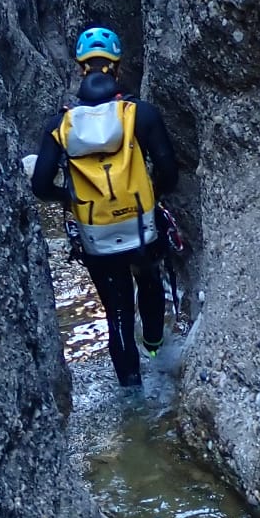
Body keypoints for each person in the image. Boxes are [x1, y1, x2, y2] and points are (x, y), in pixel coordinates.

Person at [31, 25, 180, 389]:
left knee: (116, 314)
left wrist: (69, 200)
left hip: (96, 237)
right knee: (147, 280)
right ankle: (157, 351)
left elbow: (39, 186)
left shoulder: (61, 126)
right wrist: (150, 198)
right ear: (117, 66)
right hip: (141, 228)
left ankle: (132, 395)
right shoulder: (139, 115)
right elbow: (169, 172)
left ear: (81, 68)